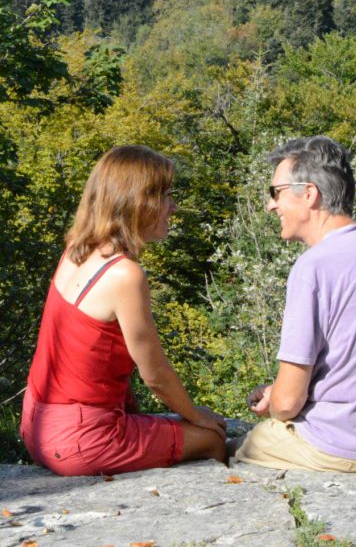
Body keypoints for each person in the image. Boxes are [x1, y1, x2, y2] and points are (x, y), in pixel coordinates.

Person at [20, 145, 227, 476]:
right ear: (138, 202)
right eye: (166, 197)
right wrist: (196, 416)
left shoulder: (77, 249)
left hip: (39, 424)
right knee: (211, 438)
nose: (173, 208)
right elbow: (155, 374)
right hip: (81, 436)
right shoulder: (124, 274)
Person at [233, 136, 356, 472]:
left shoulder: (314, 266)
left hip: (344, 448)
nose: (271, 206)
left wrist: (275, 398)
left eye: (276, 193)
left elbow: (286, 404)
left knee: (229, 447)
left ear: (309, 194)